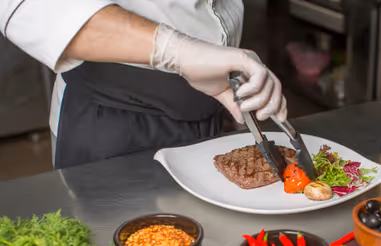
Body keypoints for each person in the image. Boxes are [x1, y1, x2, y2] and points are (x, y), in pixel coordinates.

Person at [0, 1, 287, 169]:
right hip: (111, 123)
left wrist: (235, 61)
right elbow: (32, 9)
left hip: (210, 108)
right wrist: (179, 51)